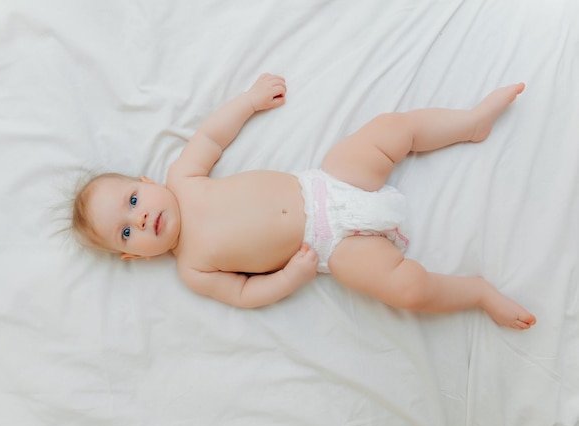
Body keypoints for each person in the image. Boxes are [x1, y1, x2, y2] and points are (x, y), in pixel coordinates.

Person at [72, 73, 536, 330]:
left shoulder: (183, 176)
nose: (142, 216)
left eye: (133, 199)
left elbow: (213, 135)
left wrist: (249, 101)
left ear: (146, 179)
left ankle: (470, 122)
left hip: (329, 184)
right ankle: (476, 293)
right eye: (126, 230)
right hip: (333, 249)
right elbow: (243, 293)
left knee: (392, 129)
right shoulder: (192, 268)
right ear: (132, 255)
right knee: (407, 291)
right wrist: (290, 277)